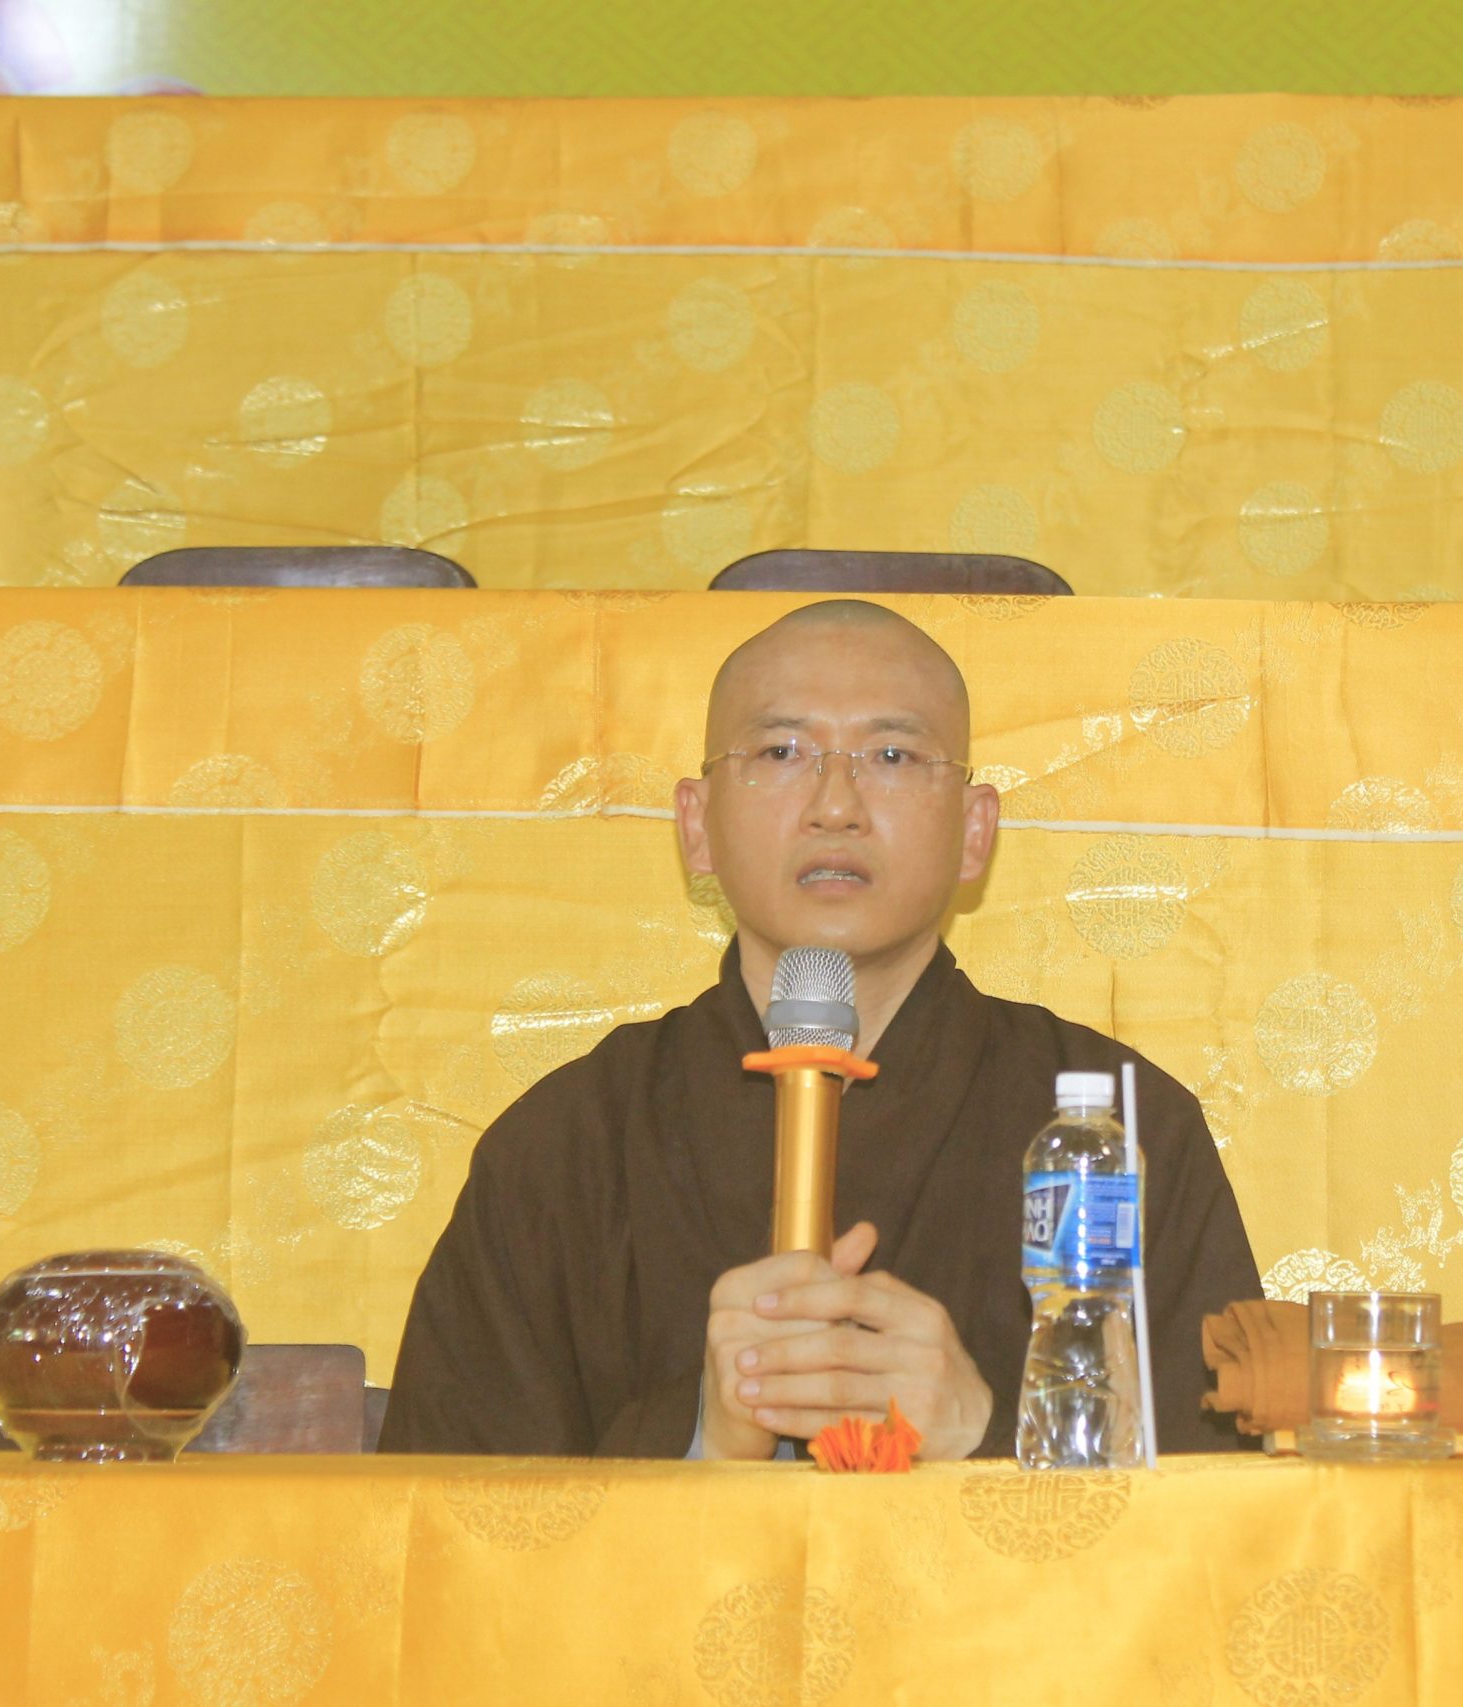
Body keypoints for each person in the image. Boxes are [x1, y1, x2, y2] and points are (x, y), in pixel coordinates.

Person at [379, 600, 1262, 1459]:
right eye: (781, 751)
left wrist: (985, 1432)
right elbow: (445, 1525)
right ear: (696, 825)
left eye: (892, 754)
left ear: (975, 831)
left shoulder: (1115, 1133)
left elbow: (1226, 1520)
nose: (835, 805)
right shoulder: (565, 1146)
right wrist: (703, 1439)